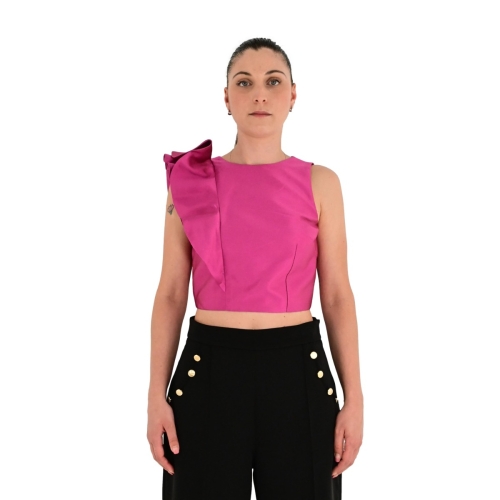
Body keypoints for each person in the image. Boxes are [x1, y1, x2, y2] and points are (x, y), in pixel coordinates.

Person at [147, 37, 363, 500]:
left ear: (293, 95)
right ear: (227, 98)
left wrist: (355, 398)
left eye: (273, 81)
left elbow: (337, 295)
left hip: (296, 371)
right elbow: (171, 293)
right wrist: (154, 395)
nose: (259, 94)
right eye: (244, 83)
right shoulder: (190, 180)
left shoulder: (321, 182)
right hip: (208, 370)